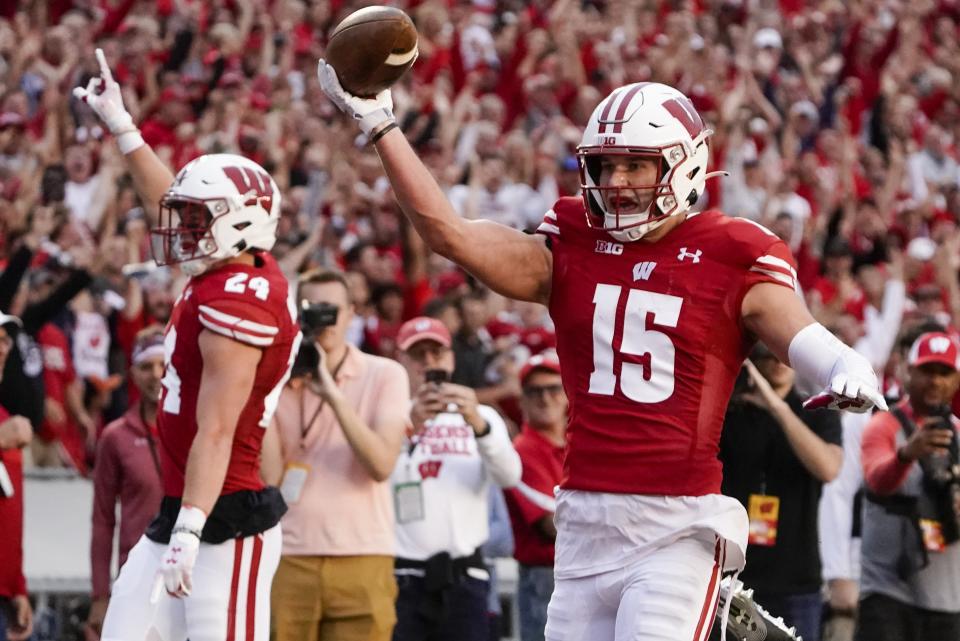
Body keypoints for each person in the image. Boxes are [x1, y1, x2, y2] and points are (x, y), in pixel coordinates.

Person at [318, 69, 886, 640]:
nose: (616, 181)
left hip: (676, 524)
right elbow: (449, 234)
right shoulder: (571, 241)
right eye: (605, 165)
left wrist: (843, 364)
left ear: (683, 163)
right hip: (583, 522)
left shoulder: (730, 251)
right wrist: (381, 123)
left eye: (635, 164)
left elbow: (798, 330)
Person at [76, 49, 301, 641]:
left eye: (198, 220)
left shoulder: (243, 294)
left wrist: (190, 529)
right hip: (183, 506)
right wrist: (124, 128)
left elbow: (218, 428)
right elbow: (169, 195)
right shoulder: (220, 271)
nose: (181, 230)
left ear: (237, 223)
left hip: (225, 517)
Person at [262, 268, 410, 641]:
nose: (322, 321)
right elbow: (271, 481)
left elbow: (380, 465)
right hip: (289, 555)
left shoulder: (385, 374)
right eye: (311, 310)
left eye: (331, 310)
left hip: (363, 553)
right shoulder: (277, 382)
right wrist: (265, 385)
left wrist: (333, 394)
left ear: (352, 313)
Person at [390, 316, 521, 641]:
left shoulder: (481, 416)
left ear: (450, 358)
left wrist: (479, 425)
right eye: (418, 355)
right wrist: (409, 427)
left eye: (436, 353)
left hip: (464, 575)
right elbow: (374, 477)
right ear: (401, 361)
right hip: (401, 574)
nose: (428, 363)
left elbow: (509, 477)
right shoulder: (389, 415)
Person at [719, 344, 843, 641]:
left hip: (796, 578)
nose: (777, 362)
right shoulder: (730, 411)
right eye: (767, 353)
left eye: (784, 354)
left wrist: (777, 407)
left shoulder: (816, 411)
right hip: (736, 575)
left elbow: (828, 467)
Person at [855, 331, 960, 641]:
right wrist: (905, 455)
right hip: (888, 590)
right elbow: (876, 479)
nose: (935, 381)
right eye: (927, 371)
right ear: (909, 371)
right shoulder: (884, 425)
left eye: (945, 373)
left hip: (947, 595)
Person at [87, 326, 167, 638]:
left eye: (164, 365)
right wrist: (99, 595)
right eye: (147, 366)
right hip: (137, 575)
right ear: (133, 373)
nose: (156, 375)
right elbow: (103, 519)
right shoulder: (116, 436)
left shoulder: (195, 429)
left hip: (191, 573)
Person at [503, 354, 567, 641]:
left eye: (553, 389)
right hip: (545, 574)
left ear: (567, 395)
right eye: (534, 391)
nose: (545, 398)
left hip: (572, 570)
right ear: (522, 401)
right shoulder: (522, 450)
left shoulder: (576, 443)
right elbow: (550, 526)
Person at [0, 313, 33, 641]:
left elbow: (10, 514)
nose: (1, 350)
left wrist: (17, 586)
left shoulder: (4, 415)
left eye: (3, 340)